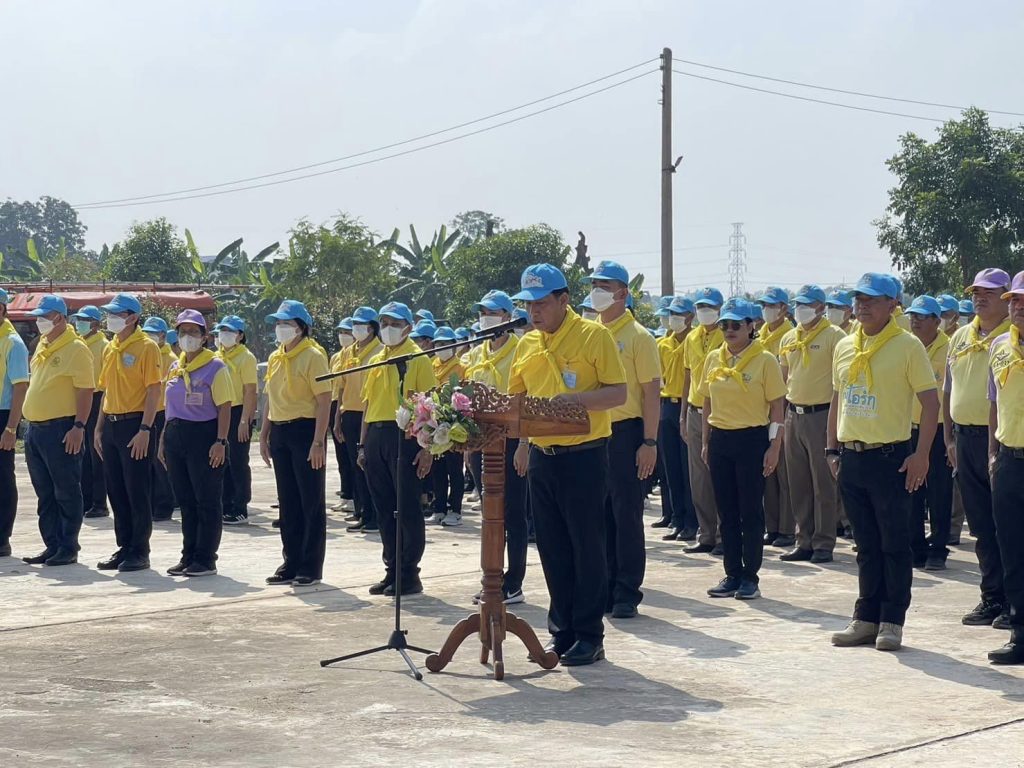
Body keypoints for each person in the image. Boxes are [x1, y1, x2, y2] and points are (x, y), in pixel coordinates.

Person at [509, 263, 626, 667]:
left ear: (563, 300)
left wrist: (575, 401)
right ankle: (561, 633)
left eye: (541, 303)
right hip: (543, 458)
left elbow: (617, 393)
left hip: (584, 456)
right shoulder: (526, 344)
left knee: (586, 547)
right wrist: (522, 444)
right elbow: (517, 401)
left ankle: (590, 635)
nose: (534, 312)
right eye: (528, 305)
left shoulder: (594, 336)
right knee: (552, 548)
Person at [828, 273, 938, 652]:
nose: (862, 306)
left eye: (872, 299)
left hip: (891, 457)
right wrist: (831, 449)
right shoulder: (845, 345)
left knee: (894, 543)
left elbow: (931, 404)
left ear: (893, 304)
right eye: (859, 298)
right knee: (865, 545)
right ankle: (865, 617)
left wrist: (922, 454)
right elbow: (838, 399)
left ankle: (892, 619)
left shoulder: (907, 346)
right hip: (852, 457)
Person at [587, 261, 661, 618]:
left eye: (605, 286)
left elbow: (651, 393)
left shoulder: (639, 337)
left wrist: (649, 442)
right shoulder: (590, 333)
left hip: (627, 432)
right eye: (594, 285)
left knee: (626, 513)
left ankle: (627, 591)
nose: (597, 292)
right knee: (598, 514)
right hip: (594, 432)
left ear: (622, 293)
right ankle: (604, 585)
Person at [699, 299, 786, 600]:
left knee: (750, 511)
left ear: (751, 326)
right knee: (726, 511)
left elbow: (777, 407)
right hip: (721, 440)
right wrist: (706, 442)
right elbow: (706, 401)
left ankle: (750, 576)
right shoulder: (714, 357)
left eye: (736, 324)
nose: (729, 330)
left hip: (752, 439)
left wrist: (774, 446)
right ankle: (732, 573)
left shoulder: (765, 360)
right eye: (724, 324)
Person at [945, 268, 1013, 629]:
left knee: (1008, 526)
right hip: (965, 440)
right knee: (982, 527)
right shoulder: (960, 336)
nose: (979, 298)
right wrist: (948, 438)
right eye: (975, 292)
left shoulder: (1012, 336)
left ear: (1006, 296)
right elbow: (948, 390)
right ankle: (992, 597)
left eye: (989, 292)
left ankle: (1013, 601)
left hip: (1000, 440)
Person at [359, 301, 435, 596]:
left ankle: (409, 573)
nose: (388, 328)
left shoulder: (418, 359)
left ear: (408, 327)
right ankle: (391, 569)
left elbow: (430, 405)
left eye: (395, 323)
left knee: (407, 508)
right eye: (384, 323)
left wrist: (427, 448)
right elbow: (368, 404)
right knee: (384, 508)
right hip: (377, 434)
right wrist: (362, 444)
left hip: (405, 435)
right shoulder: (378, 358)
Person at [260, 300, 332, 586]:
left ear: (301, 328)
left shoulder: (313, 355)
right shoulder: (276, 357)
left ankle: (310, 566)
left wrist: (318, 441)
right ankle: (291, 561)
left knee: (310, 500)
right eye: (278, 323)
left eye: (286, 323)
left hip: (305, 430)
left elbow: (324, 400)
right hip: (280, 430)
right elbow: (270, 398)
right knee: (288, 501)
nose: (280, 328)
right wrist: (264, 434)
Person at [19, 296, 95, 566]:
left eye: (44, 316)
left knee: (66, 490)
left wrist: (79, 426)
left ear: (59, 318)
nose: (39, 321)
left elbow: (85, 390)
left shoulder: (76, 348)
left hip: (61, 428)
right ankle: (51, 544)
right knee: (45, 492)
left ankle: (68, 546)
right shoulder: (43, 343)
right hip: (36, 430)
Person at [464, 289, 529, 602]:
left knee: (513, 514)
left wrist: (524, 443)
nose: (485, 318)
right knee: (490, 513)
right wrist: (467, 444)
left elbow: (527, 397)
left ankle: (513, 582)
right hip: (482, 442)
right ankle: (492, 579)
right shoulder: (476, 353)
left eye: (492, 312)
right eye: (482, 312)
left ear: (507, 317)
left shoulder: (522, 349)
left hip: (512, 439)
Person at [159, 311, 233, 577]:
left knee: (207, 499)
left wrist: (220, 441)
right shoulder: (176, 367)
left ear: (204, 337)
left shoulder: (215, 367)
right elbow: (169, 406)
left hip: (204, 436)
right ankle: (188, 555)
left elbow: (225, 407)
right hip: (176, 435)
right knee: (186, 500)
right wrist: (163, 439)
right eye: (183, 332)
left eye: (193, 332)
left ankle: (205, 558)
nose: (187, 337)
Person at [777, 284, 846, 563]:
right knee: (798, 482)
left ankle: (823, 543)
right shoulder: (789, 337)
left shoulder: (835, 336)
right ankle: (803, 539)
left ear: (820, 307)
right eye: (798, 304)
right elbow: (784, 378)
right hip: (794, 414)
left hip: (822, 415)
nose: (801, 309)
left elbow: (841, 382)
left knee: (823, 484)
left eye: (806, 304)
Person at [95, 293, 163, 572]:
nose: (111, 318)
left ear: (133, 317)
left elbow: (154, 390)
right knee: (116, 489)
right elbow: (106, 389)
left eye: (117, 314)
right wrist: (98, 428)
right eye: (110, 313)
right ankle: (124, 546)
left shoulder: (147, 347)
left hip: (135, 424)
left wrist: (146, 428)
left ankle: (140, 550)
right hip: (111, 424)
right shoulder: (110, 347)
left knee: (137, 489)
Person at [987, 270, 1024, 664]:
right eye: (1014, 299)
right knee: (1012, 551)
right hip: (1010, 461)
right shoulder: (999, 346)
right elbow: (994, 404)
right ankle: (1020, 634)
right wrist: (993, 455)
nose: (1018, 306)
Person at [906, 296, 952, 570]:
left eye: (922, 316)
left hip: (939, 428)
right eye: (913, 316)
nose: (915, 321)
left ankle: (938, 548)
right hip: (908, 428)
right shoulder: (907, 346)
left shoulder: (949, 348)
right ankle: (916, 547)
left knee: (939, 492)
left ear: (937, 321)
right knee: (911, 490)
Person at [680, 287, 726, 555]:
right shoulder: (692, 337)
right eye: (700, 307)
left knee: (718, 475)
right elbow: (687, 376)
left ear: (719, 310)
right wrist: (683, 414)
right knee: (698, 478)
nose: (704, 312)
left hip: (719, 412)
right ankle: (706, 533)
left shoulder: (727, 335)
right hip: (695, 410)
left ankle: (723, 534)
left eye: (709, 307)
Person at [334, 306, 382, 534]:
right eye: (354, 324)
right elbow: (340, 386)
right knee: (355, 466)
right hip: (349, 414)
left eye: (361, 325)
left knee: (369, 467)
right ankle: (362, 512)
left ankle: (374, 515)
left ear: (372, 328)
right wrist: (337, 418)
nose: (356, 329)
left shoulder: (379, 351)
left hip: (368, 414)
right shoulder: (347, 353)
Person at [653, 296, 696, 540]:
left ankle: (691, 521)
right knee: (670, 466)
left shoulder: (694, 340)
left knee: (687, 466)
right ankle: (676, 518)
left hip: (685, 404)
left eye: (679, 314)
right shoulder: (663, 344)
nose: (674, 319)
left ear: (690, 317)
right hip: (666, 404)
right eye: (672, 314)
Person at [756, 286, 796, 549]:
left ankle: (787, 528)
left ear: (783, 308)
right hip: (761, 410)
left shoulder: (790, 336)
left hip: (782, 407)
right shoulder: (759, 336)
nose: (767, 310)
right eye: (764, 305)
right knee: (768, 470)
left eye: (772, 305)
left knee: (784, 472)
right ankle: (772, 526)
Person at [213, 315, 258, 525]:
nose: (225, 335)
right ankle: (225, 504)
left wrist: (244, 420)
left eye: (230, 331)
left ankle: (240, 507)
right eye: (222, 330)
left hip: (238, 411)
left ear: (240, 335)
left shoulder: (246, 357)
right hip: (219, 411)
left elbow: (250, 391)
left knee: (238, 462)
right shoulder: (216, 356)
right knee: (222, 461)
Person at [71, 305, 109, 519]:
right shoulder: (79, 344)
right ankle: (86, 500)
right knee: (82, 454)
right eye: (79, 319)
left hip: (97, 398)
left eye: (85, 320)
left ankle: (99, 502)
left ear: (95, 324)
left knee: (96, 454)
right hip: (79, 398)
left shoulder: (103, 346)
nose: (80, 324)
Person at [0, 288, 30, 559]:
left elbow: (20, 387)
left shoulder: (13, 343)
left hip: (3, 416)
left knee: (3, 477)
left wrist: (11, 428)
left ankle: (2, 538)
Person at [429, 326, 466, 527]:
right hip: (434, 421)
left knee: (454, 468)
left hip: (454, 423)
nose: (441, 347)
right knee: (438, 467)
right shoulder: (432, 365)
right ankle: (439, 508)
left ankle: (455, 510)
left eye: (445, 344)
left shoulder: (460, 367)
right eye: (438, 344)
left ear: (453, 345)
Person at [143, 316, 176, 521]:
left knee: (160, 460)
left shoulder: (170, 359)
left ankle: (164, 505)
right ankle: (152, 503)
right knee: (148, 462)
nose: (149, 336)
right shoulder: (146, 352)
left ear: (163, 335)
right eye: (146, 332)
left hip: (163, 412)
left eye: (153, 333)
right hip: (147, 412)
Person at [329, 317, 356, 513]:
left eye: (347, 332)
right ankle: (346, 493)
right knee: (341, 454)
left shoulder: (356, 356)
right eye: (341, 332)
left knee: (352, 455)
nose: (343, 336)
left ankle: (355, 496)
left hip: (351, 404)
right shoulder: (336, 357)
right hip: (335, 402)